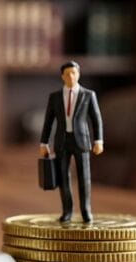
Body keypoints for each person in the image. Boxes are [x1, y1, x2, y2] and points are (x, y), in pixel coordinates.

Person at [39, 61, 104, 223]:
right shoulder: (54, 97)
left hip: (81, 141)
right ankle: (67, 211)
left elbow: (96, 119)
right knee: (63, 178)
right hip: (62, 141)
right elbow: (48, 121)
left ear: (78, 74)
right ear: (62, 76)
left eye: (73, 73)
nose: (71, 76)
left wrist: (98, 140)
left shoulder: (88, 95)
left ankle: (86, 211)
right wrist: (43, 143)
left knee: (84, 178)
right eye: (67, 74)